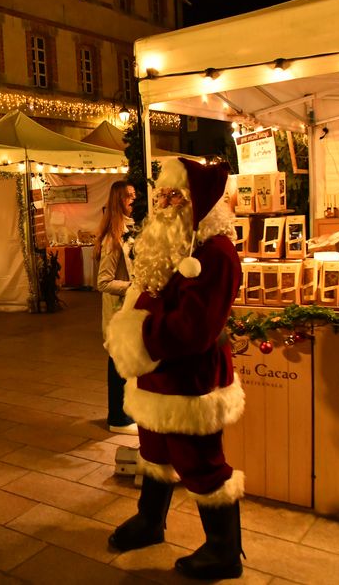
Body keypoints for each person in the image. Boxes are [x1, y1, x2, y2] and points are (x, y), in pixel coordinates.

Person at [105, 157, 245, 580]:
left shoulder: (216, 253)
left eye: (175, 196)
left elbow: (193, 330)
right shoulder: (168, 245)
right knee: (154, 452)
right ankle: (150, 521)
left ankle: (224, 549)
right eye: (161, 195)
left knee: (200, 462)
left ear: (200, 203)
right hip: (155, 374)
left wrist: (137, 335)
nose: (164, 205)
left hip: (190, 380)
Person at [94, 180, 138, 435]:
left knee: (127, 364)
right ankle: (118, 419)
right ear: (117, 200)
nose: (133, 199)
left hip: (129, 312)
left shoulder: (130, 229)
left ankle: (126, 414)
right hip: (119, 313)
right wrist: (134, 287)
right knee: (118, 365)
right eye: (127, 196)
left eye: (134, 195)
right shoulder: (114, 236)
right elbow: (103, 281)